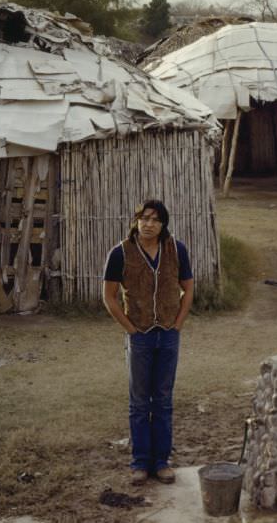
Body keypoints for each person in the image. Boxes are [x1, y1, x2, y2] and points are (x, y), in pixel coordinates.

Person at [102, 200, 194, 486]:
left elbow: (188, 288)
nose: (148, 224)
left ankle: (162, 462)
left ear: (163, 223)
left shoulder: (176, 250)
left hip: (168, 333)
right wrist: (130, 329)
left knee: (163, 400)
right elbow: (109, 296)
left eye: (155, 219)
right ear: (136, 220)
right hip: (140, 335)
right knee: (140, 402)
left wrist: (177, 324)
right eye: (144, 218)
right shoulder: (120, 253)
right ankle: (140, 463)